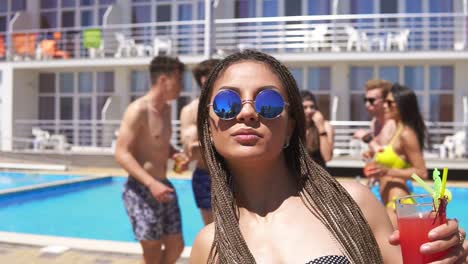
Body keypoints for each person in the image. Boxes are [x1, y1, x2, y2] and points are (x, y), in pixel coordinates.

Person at [189, 50, 466, 263]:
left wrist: (449, 256)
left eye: (268, 103)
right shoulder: (209, 244)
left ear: (291, 125)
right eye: (227, 103)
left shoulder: (351, 203)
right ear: (209, 128)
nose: (248, 112)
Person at [115, 55, 186, 264]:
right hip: (141, 189)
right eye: (179, 80)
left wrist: (174, 153)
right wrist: (151, 183)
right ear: (164, 80)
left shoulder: (166, 110)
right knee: (152, 252)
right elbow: (121, 152)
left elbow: (160, 143)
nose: (181, 86)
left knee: (176, 244)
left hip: (163, 186)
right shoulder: (138, 110)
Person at [363, 84, 429, 229]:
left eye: (389, 103)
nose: (385, 106)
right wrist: (375, 156)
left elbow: (422, 172)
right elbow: (397, 160)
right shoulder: (398, 131)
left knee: (393, 250)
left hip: (399, 202)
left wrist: (386, 171)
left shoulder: (406, 134)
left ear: (401, 105)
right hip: (392, 201)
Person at [180, 58, 220, 225]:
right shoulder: (190, 111)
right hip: (206, 176)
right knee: (212, 232)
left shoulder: (234, 106)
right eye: (206, 84)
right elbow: (192, 151)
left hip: (234, 174)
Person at [354, 79, 396, 146]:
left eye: (371, 100)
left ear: (385, 101)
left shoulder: (393, 124)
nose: (367, 104)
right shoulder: (375, 122)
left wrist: (366, 138)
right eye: (365, 100)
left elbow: (385, 154)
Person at [300, 90, 334, 169]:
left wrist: (321, 128)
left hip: (317, 174)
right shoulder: (293, 126)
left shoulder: (325, 126)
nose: (309, 111)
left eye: (312, 107)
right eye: (304, 107)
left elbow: (327, 157)